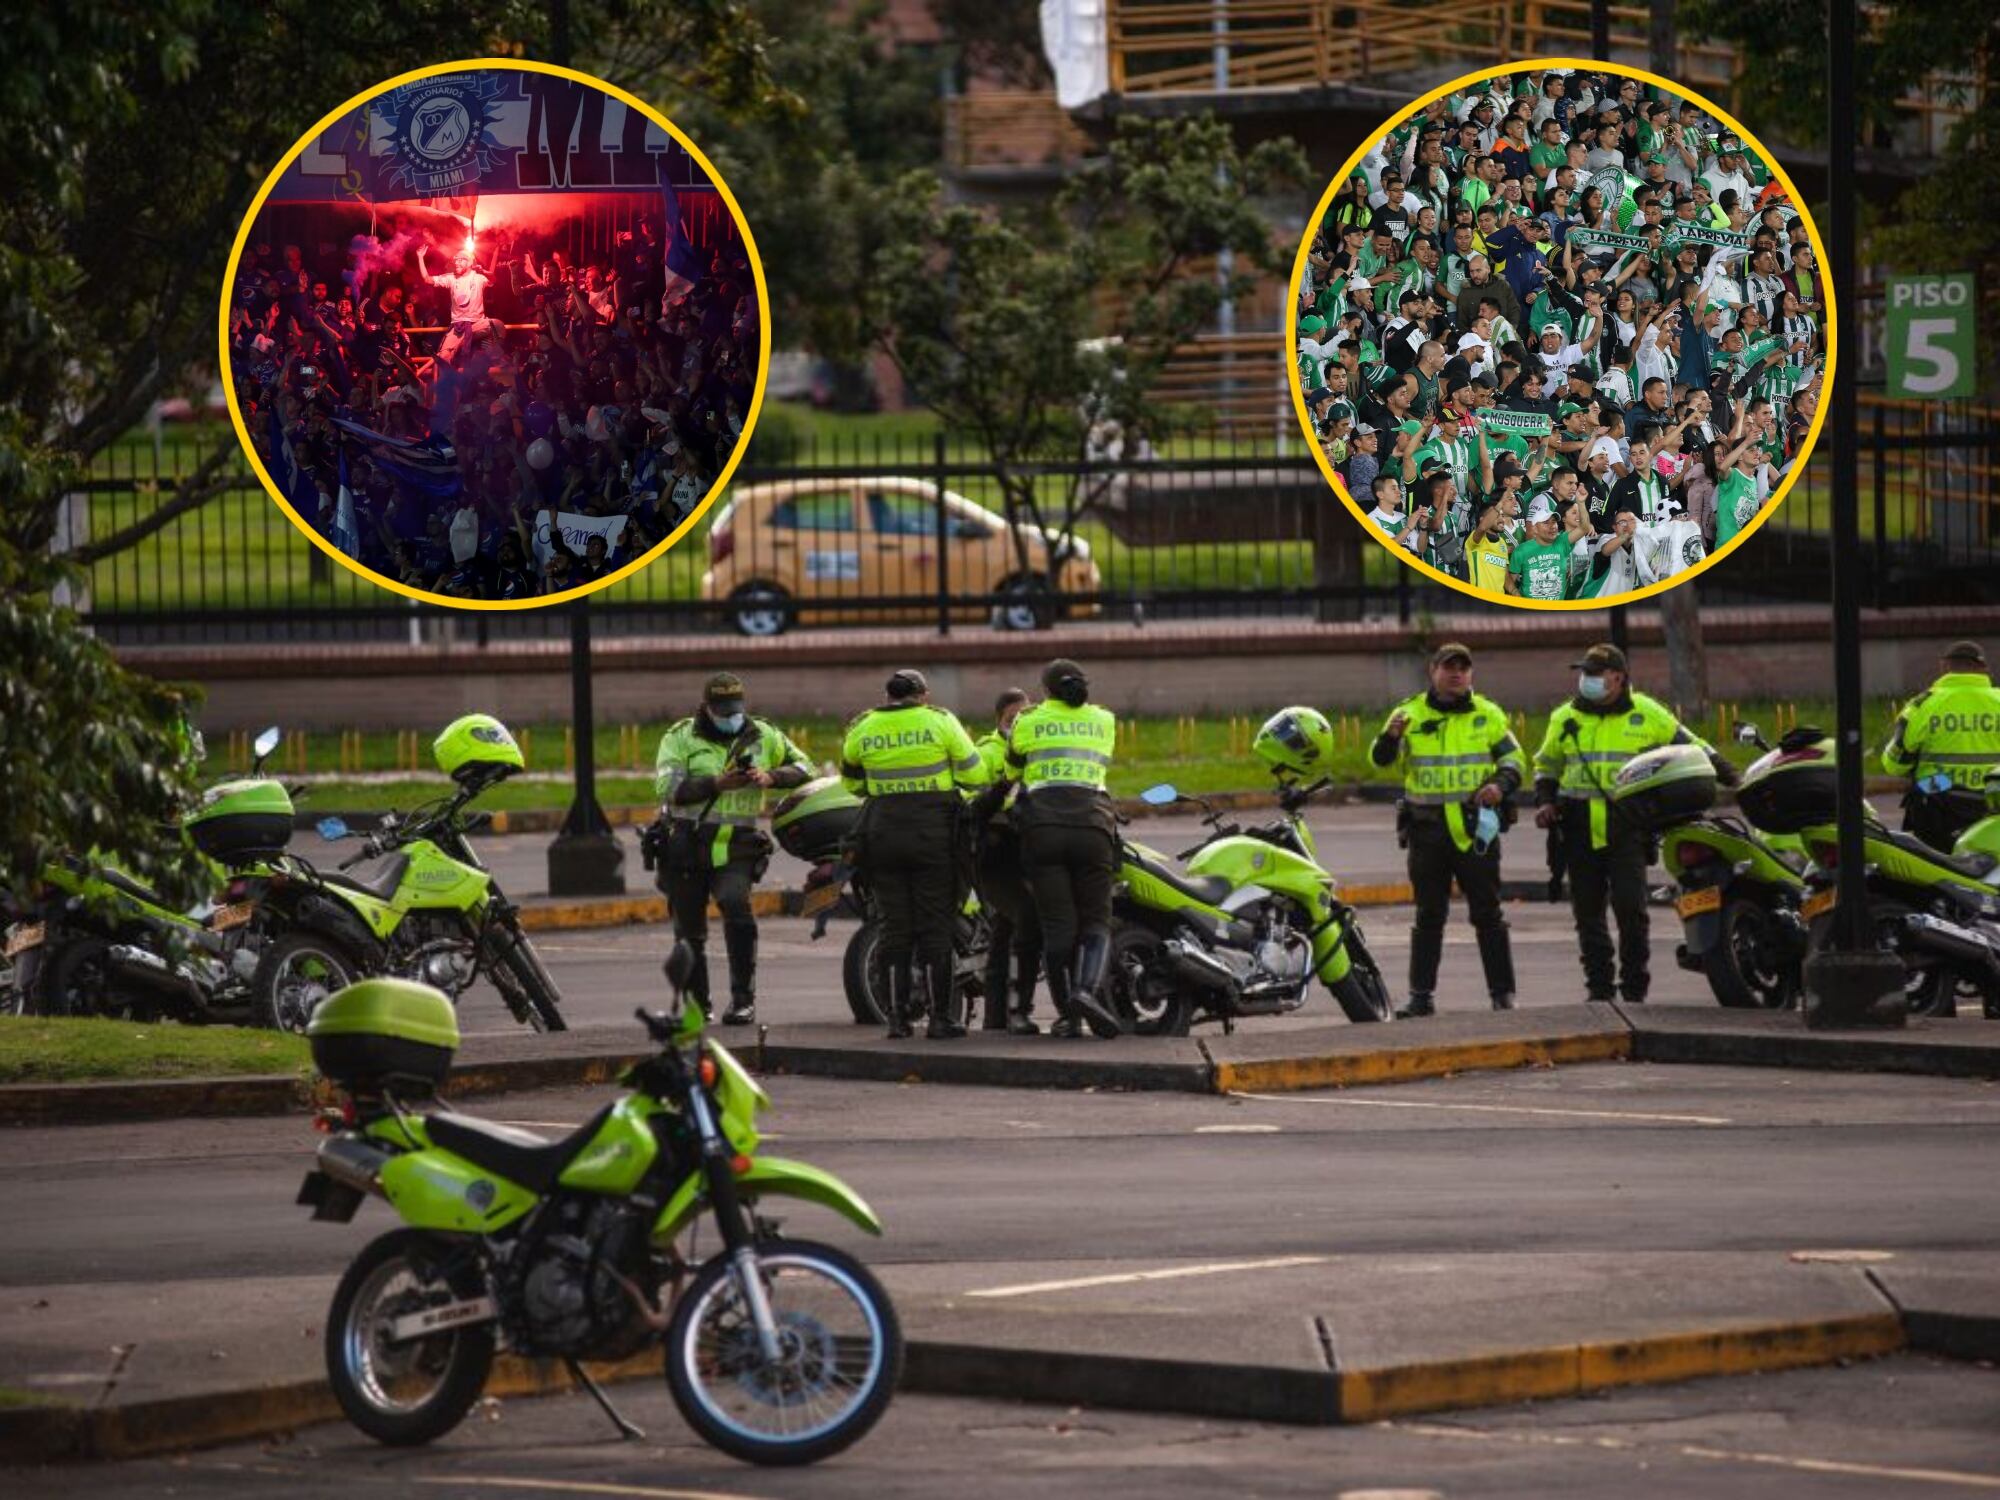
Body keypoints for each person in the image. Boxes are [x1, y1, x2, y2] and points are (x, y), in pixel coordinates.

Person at [1533, 644, 1733, 1002]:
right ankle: (1599, 989)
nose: (1587, 680)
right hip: (1577, 826)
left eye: (1595, 674)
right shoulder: (1564, 717)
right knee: (1588, 914)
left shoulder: (1647, 712)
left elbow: (1692, 745)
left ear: (1618, 678)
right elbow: (1547, 766)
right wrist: (1546, 802)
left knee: (1631, 911)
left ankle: (1634, 988)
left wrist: (1731, 776)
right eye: (1585, 673)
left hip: (1627, 825)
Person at [1371, 643, 1526, 1017]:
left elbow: (1514, 760)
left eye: (1463, 668)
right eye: (1449, 667)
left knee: (1488, 913)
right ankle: (1421, 997)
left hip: (1476, 832)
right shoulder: (1407, 714)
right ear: (1433, 671)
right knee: (1428, 915)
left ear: (1471, 673)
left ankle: (1502, 995)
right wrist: (1390, 738)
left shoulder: (1487, 714)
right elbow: (1378, 760)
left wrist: (1500, 786)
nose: (1456, 674)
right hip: (1427, 831)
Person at [652, 673, 814, 1025]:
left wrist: (772, 777)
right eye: (723, 710)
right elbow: (667, 787)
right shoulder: (680, 737)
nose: (731, 716)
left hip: (736, 845)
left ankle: (743, 1000)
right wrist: (716, 783)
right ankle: (698, 1007)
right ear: (707, 707)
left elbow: (806, 767)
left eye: (735, 709)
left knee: (736, 907)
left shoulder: (762, 733)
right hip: (687, 845)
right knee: (689, 930)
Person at [840, 670, 989, 1039]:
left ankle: (897, 1020)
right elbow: (976, 774)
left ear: (888, 696)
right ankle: (940, 1018)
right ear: (923, 696)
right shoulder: (940, 721)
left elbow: (851, 782)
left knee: (894, 929)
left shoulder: (863, 727)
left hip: (882, 835)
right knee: (934, 926)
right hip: (932, 835)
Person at [1006, 660, 1124, 1039]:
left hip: (1043, 830)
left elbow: (1011, 770)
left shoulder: (1027, 721)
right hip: (1093, 827)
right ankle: (1085, 991)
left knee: (1058, 926)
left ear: (1046, 690)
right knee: (1096, 923)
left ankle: (1067, 1015)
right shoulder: (1104, 720)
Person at [1881, 642, 2000, 852]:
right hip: (1993, 794)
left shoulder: (1923, 705)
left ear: (1944, 667)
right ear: (1984, 669)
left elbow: (1893, 765)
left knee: (1918, 790)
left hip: (1942, 788)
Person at [970, 688, 1041, 1034]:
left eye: (1023, 717)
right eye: (1012, 719)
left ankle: (995, 1019)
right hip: (998, 853)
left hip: (1027, 851)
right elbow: (975, 798)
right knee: (1021, 920)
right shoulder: (988, 751)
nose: (1018, 724)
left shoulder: (1035, 746)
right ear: (999, 720)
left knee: (1004, 932)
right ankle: (1009, 1014)